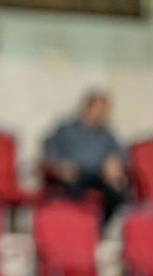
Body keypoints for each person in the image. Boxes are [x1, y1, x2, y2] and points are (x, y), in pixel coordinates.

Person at [43, 90, 128, 225]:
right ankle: (76, 226)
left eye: (105, 110)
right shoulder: (67, 129)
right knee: (72, 189)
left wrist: (115, 163)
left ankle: (98, 227)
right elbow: (49, 147)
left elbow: (121, 153)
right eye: (99, 109)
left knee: (119, 191)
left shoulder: (107, 134)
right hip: (74, 173)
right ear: (87, 107)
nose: (102, 114)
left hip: (98, 175)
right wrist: (60, 165)